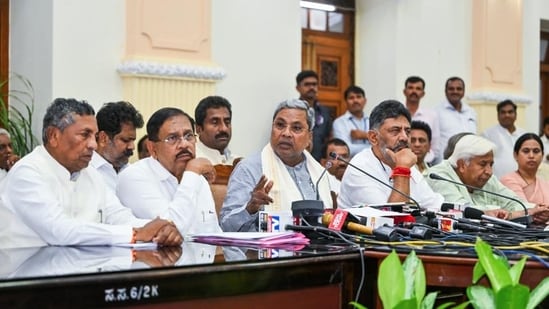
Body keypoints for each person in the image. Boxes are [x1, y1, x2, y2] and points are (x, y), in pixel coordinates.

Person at [0, 98, 182, 248]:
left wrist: (161, 229)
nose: (93, 145)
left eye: (94, 136)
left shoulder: (90, 174)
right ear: (54, 136)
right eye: (84, 135)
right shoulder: (27, 172)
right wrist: (135, 234)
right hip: (25, 282)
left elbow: (119, 217)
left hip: (78, 276)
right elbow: (60, 231)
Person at [220, 99, 333, 232]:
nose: (286, 133)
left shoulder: (319, 173)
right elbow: (225, 226)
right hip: (261, 251)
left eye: (296, 128)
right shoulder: (249, 169)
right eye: (280, 125)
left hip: (317, 250)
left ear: (309, 138)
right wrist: (250, 208)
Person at [117, 107, 221, 235]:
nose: (184, 144)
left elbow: (213, 232)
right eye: (172, 138)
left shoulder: (196, 177)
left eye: (189, 136)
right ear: (152, 148)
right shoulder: (134, 177)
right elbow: (172, 227)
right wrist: (192, 173)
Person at [338, 100, 444, 210]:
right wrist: (402, 169)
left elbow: (434, 205)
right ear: (373, 138)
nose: (404, 137)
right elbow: (391, 220)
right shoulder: (359, 168)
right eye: (395, 131)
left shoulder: (405, 163)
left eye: (407, 131)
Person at [426, 134, 548, 223]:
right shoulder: (439, 176)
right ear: (462, 165)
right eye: (483, 164)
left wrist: (536, 210)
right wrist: (509, 214)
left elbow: (513, 202)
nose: (489, 171)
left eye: (491, 164)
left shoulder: (487, 178)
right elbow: (462, 210)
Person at [90, 101, 144, 191]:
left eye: (133, 140)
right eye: (125, 140)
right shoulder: (84, 171)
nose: (132, 147)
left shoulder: (133, 172)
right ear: (103, 138)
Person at [500, 133, 549, 223]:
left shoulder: (545, 183)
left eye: (536, 151)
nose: (531, 156)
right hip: (521, 233)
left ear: (542, 155)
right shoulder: (508, 180)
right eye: (526, 151)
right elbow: (523, 209)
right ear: (515, 155)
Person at [481, 99, 526, 178]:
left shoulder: (523, 134)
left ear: (516, 115)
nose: (507, 115)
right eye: (503, 112)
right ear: (498, 115)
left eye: (510, 112)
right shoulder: (488, 134)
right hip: (497, 181)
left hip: (521, 180)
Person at [403, 76, 441, 163]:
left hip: (425, 164)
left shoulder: (431, 115)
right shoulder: (397, 114)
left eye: (418, 88)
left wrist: (422, 161)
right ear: (404, 92)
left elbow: (435, 147)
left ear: (423, 93)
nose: (414, 91)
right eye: (411, 88)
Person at [295, 70, 332, 161]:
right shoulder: (292, 110)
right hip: (296, 162)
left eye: (314, 84)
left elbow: (329, 138)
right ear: (298, 88)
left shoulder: (324, 112)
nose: (311, 87)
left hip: (319, 163)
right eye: (307, 84)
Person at [437, 76, 477, 158]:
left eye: (459, 89)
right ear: (445, 91)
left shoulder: (471, 112)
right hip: (446, 162)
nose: (455, 91)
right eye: (451, 89)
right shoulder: (437, 112)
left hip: (468, 161)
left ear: (463, 91)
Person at [194, 95, 238, 165]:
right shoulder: (190, 161)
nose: (224, 128)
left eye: (227, 122)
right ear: (198, 129)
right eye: (215, 122)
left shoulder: (239, 163)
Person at [332, 85, 370, 157]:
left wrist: (365, 135)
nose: (355, 100)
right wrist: (373, 147)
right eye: (351, 98)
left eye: (358, 97)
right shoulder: (339, 123)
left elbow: (383, 143)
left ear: (365, 101)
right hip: (350, 164)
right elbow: (345, 149)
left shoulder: (372, 120)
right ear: (346, 102)